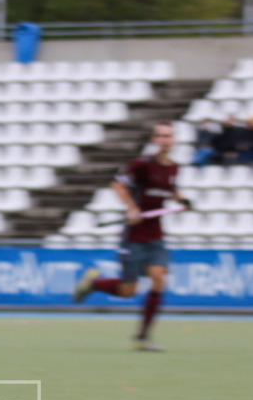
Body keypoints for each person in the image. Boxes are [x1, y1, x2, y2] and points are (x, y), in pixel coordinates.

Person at [72, 121, 192, 351]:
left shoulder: (174, 168)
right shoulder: (141, 164)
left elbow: (169, 189)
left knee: (158, 278)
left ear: (173, 140)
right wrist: (131, 208)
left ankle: (142, 337)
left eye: (169, 136)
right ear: (154, 140)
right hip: (134, 237)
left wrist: (181, 200)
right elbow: (117, 185)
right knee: (128, 291)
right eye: (161, 135)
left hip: (155, 236)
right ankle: (93, 283)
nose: (165, 139)